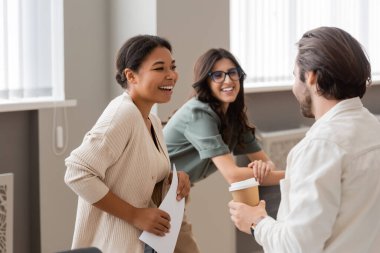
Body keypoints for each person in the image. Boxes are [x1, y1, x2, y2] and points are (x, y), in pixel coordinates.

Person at [229, 26, 380, 253]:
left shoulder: (319, 147)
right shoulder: (372, 128)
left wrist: (256, 222)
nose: (294, 86)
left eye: (294, 75)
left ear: (311, 76)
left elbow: (297, 246)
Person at [64, 35, 191, 253]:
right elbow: (77, 172)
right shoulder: (122, 115)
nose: (171, 75)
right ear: (131, 75)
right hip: (112, 246)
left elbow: (139, 178)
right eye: (159, 68)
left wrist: (172, 179)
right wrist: (135, 215)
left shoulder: (152, 121)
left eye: (172, 67)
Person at [163, 48, 285, 252]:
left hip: (177, 193)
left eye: (232, 73)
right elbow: (233, 175)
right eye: (218, 75)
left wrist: (263, 167)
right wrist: (297, 174)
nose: (227, 80)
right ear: (206, 81)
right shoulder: (199, 113)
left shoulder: (234, 118)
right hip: (153, 191)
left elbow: (267, 164)